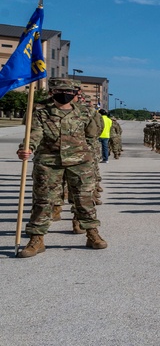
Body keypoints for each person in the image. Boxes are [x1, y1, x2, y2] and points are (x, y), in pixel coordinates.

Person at [15, 78, 107, 257]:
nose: (64, 95)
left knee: (84, 199)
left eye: (69, 92)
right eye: (59, 91)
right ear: (52, 92)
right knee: (43, 201)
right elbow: (34, 134)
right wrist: (26, 148)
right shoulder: (41, 113)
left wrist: (82, 150)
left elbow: (92, 134)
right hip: (49, 163)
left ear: (75, 94)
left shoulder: (86, 113)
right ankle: (36, 239)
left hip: (80, 163)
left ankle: (92, 233)